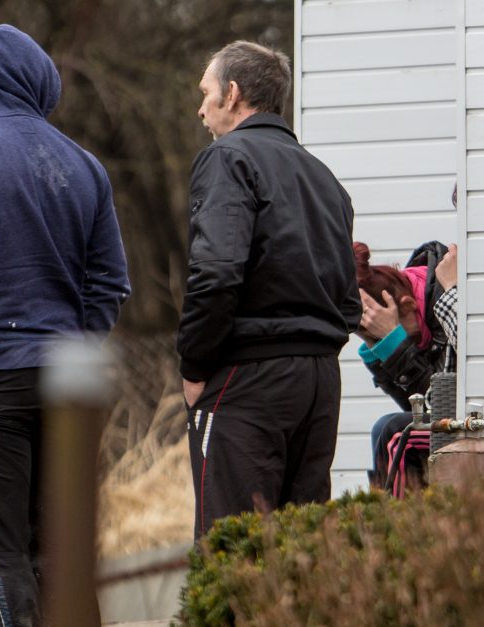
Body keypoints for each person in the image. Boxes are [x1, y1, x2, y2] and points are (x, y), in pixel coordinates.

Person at [0, 24, 130, 626]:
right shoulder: (85, 167)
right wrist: (73, 351)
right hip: (68, 388)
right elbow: (111, 282)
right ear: (41, 84)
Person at [177, 40, 360, 538]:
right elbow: (348, 302)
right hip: (319, 385)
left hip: (249, 380)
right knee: (301, 552)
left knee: (234, 550)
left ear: (232, 94)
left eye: (206, 93)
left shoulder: (227, 158)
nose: (200, 108)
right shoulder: (325, 179)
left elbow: (215, 273)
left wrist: (194, 366)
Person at [355, 239, 458, 489]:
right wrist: (378, 350)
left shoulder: (446, 302)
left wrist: (394, 344)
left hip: (464, 418)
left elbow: (440, 405)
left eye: (406, 336)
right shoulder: (417, 295)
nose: (409, 343)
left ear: (409, 305)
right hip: (448, 420)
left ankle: (399, 523)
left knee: (397, 432)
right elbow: (414, 407)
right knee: (385, 428)